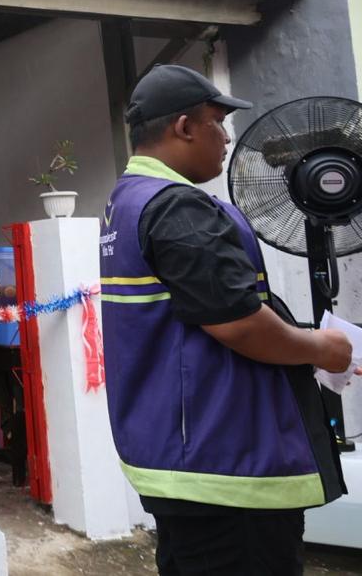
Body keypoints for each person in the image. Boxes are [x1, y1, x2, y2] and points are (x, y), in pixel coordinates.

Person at [100, 64, 361, 576]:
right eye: (218, 123)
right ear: (183, 127)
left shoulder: (125, 202)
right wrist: (320, 349)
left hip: (187, 461)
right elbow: (238, 323)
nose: (225, 138)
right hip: (229, 468)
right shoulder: (177, 208)